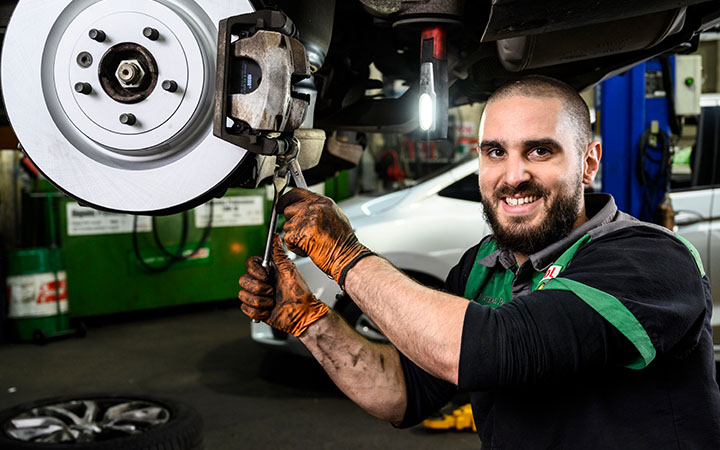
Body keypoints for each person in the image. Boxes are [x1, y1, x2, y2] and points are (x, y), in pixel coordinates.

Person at [238, 75, 720, 449]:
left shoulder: (651, 260)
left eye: (540, 150)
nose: (514, 175)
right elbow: (400, 393)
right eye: (496, 152)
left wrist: (346, 257)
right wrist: (309, 321)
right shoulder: (480, 266)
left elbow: (499, 348)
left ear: (589, 161)